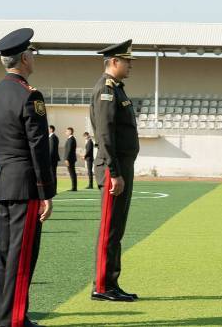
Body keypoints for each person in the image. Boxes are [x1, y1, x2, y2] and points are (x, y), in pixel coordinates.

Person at [0, 27, 54, 327]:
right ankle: (14, 320)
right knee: (22, 255)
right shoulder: (30, 95)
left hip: (3, 182)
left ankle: (6, 315)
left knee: (5, 254)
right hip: (26, 184)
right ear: (24, 57)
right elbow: (38, 147)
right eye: (32, 53)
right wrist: (46, 192)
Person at [89, 39, 140, 302]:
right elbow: (105, 134)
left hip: (121, 166)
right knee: (109, 228)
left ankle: (111, 282)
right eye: (127, 61)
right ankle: (101, 286)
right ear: (114, 62)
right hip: (114, 167)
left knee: (116, 228)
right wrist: (115, 171)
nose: (131, 65)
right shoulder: (106, 90)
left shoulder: (117, 89)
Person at [64, 127, 78, 192]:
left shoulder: (71, 139)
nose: (65, 132)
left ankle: (74, 187)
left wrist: (67, 159)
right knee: (72, 173)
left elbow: (69, 150)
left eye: (66, 131)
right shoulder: (70, 139)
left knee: (72, 173)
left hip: (70, 159)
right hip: (71, 158)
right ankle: (74, 187)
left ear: (70, 131)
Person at [49, 125, 60, 192]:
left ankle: (53, 190)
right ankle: (53, 189)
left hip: (52, 159)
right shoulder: (52, 137)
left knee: (53, 174)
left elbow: (52, 149)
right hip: (53, 158)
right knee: (52, 174)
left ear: (51, 129)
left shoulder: (53, 137)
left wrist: (48, 159)